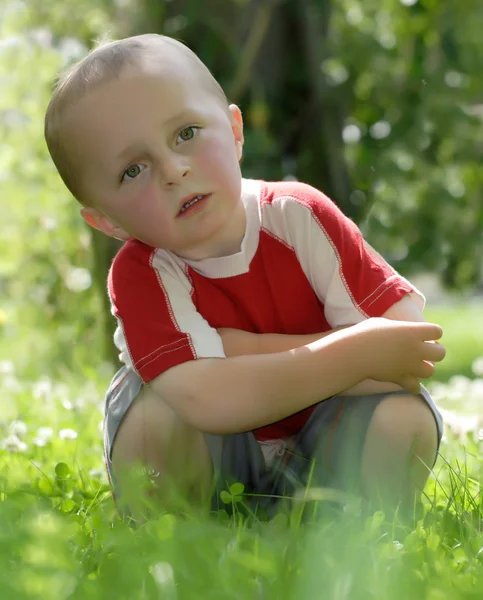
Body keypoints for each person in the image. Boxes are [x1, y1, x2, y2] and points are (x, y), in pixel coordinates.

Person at [44, 33, 446, 522]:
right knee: (156, 423)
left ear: (235, 131)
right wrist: (355, 349)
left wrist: (233, 350)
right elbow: (208, 401)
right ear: (108, 221)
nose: (173, 170)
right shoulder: (142, 272)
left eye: (186, 133)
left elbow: (409, 350)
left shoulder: (299, 217)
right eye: (133, 170)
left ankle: (351, 535)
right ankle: (182, 546)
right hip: (211, 461)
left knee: (402, 419)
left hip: (322, 443)